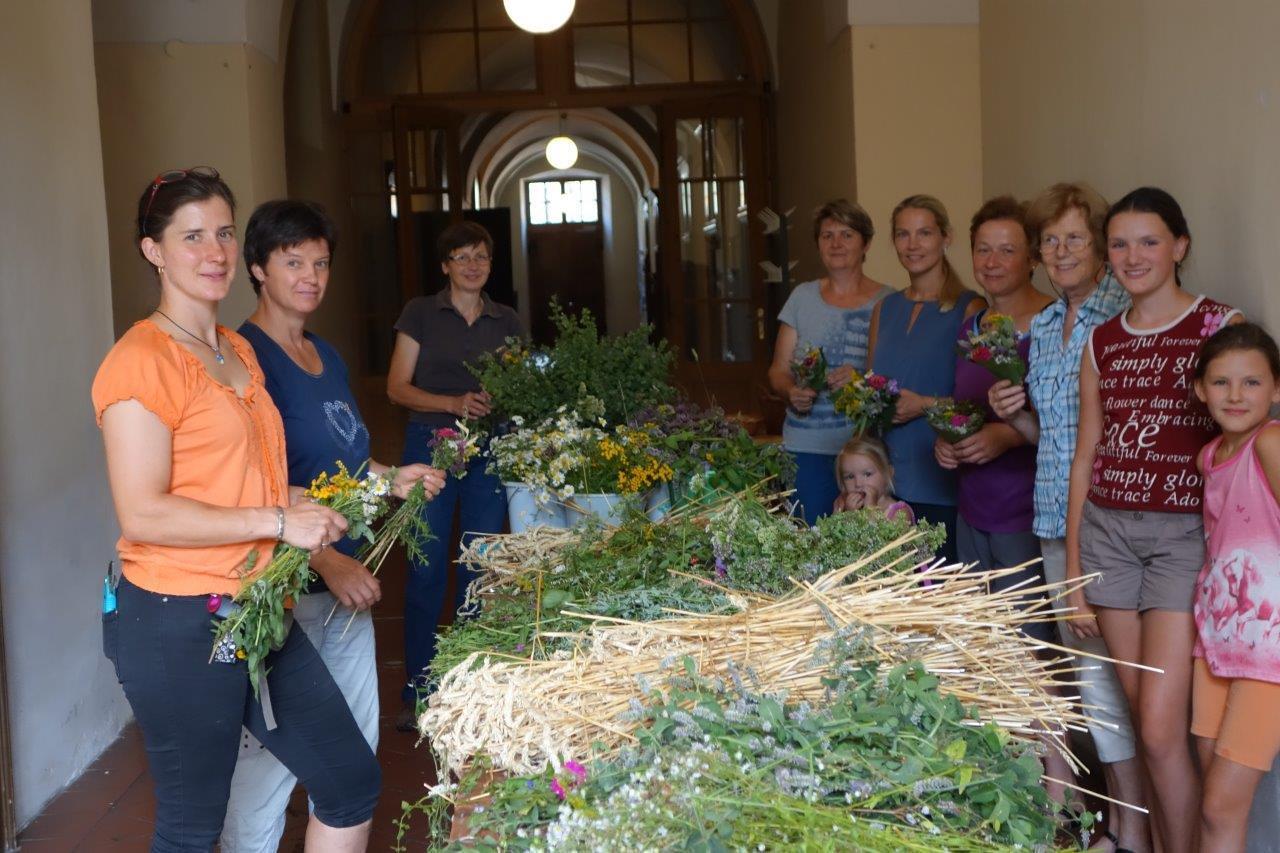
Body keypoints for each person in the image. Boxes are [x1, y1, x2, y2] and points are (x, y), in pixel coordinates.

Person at [92, 168, 380, 851]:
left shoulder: (238, 350)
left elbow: (249, 482)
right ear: (153, 250)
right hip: (178, 619)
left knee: (348, 780)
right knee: (190, 828)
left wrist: (322, 501)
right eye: (191, 236)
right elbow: (144, 514)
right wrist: (279, 522)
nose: (215, 251)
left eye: (223, 232)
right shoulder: (141, 361)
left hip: (257, 605)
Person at [222, 200, 446, 851]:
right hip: (287, 591)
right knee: (269, 767)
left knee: (352, 754)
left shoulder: (326, 354)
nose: (311, 277)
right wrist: (327, 559)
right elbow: (250, 482)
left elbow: (343, 464)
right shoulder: (246, 359)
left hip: (346, 588)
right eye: (293, 262)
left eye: (320, 263)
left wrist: (392, 476)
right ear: (258, 267)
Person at [1065, 187, 1241, 853]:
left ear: (1179, 246)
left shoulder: (1216, 324)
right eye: (1119, 244)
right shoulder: (1102, 341)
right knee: (1146, 722)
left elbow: (1241, 434)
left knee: (1164, 728)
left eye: (1148, 241)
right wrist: (1074, 576)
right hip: (1108, 534)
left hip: (1181, 537)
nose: (1132, 256)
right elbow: (1086, 455)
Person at [989, 182, 1144, 852]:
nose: (1060, 251)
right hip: (1052, 520)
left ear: (1101, 246)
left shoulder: (1120, 316)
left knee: (1111, 684)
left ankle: (1134, 829)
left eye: (1074, 237)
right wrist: (1015, 414)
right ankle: (1117, 822)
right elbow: (1049, 435)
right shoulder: (1048, 324)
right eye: (1050, 240)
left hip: (1106, 525)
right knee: (1086, 679)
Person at [387, 221, 524, 728]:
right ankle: (420, 690)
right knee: (426, 569)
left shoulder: (507, 319)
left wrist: (504, 401)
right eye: (461, 256)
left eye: (481, 256)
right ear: (444, 265)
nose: (472, 265)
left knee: (478, 566)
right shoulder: (421, 312)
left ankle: (468, 686)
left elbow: (520, 385)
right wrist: (453, 402)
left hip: (488, 449)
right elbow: (397, 388)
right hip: (430, 447)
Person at [936, 196, 1052, 639]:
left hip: (1026, 510)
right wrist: (946, 439)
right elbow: (964, 405)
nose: (992, 262)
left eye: (1007, 250)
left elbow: (1073, 421)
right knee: (981, 642)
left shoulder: (1052, 323)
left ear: (1033, 258)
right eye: (983, 249)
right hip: (972, 505)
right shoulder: (973, 326)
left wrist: (1008, 435)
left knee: (1025, 646)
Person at [1190, 323, 1280, 852]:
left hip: (1268, 651)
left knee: (1220, 806)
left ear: (1276, 388)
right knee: (1214, 803)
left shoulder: (1270, 442)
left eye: (1252, 382)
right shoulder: (1209, 456)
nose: (1236, 395)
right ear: (1201, 389)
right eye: (1221, 382)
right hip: (1216, 642)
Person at [868, 194, 985, 561]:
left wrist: (925, 405)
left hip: (942, 480)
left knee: (938, 586)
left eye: (924, 233)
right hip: (885, 484)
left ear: (946, 237)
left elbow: (982, 403)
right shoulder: (885, 308)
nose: (913, 244)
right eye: (903, 234)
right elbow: (871, 390)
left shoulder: (970, 307)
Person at [768, 199, 892, 524]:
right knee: (807, 535)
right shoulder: (802, 297)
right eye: (827, 235)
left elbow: (895, 377)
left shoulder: (889, 301)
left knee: (862, 539)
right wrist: (790, 391)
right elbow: (778, 371)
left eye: (847, 235)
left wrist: (862, 378)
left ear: (866, 243)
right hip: (805, 448)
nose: (836, 243)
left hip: (863, 453)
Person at [832, 436, 914, 521]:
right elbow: (830, 528)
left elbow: (879, 530)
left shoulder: (900, 512)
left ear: (888, 474)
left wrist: (870, 509)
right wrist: (847, 515)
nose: (858, 484)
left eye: (867, 474)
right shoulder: (842, 505)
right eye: (850, 477)